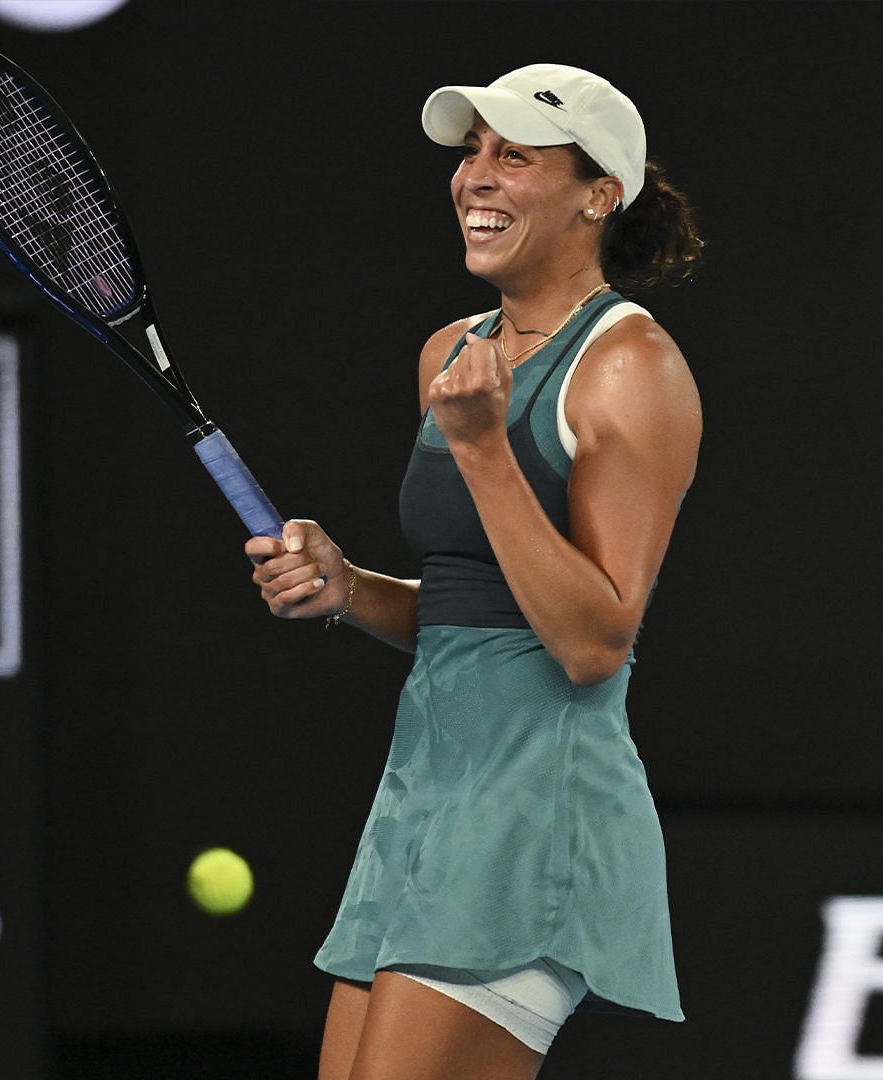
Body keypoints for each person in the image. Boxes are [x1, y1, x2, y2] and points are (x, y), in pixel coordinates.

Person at [245, 64, 702, 1079]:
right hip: (422, 804)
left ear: (599, 194)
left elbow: (592, 641)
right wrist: (349, 587)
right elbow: (476, 615)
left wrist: (488, 449)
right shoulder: (453, 354)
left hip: (535, 814)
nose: (475, 178)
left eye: (514, 156)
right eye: (470, 154)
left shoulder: (631, 365)